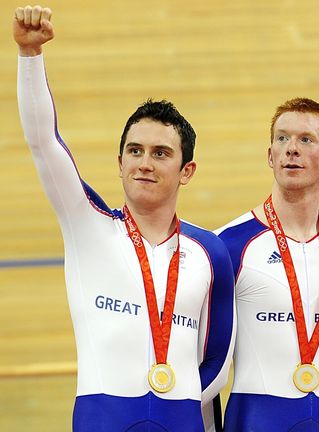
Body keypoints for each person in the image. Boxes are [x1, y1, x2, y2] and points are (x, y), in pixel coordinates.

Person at [14, 6, 236, 431]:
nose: (144, 163)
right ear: (119, 162)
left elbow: (218, 361)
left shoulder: (210, 252)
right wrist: (30, 55)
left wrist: (177, 406)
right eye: (135, 151)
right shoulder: (87, 225)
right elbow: (44, 143)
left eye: (160, 153)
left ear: (186, 171)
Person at [216, 97, 319, 431]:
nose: (291, 149)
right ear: (270, 155)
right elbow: (204, 360)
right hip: (252, 421)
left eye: (306, 140)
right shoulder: (228, 244)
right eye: (282, 138)